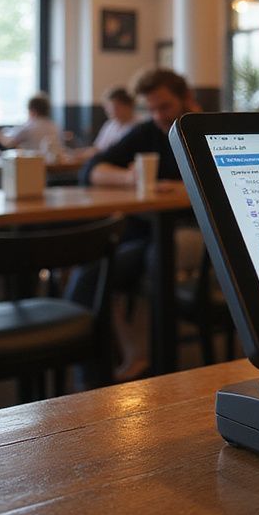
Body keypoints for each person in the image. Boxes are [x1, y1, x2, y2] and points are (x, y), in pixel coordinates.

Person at [67, 67, 194, 382]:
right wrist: (129, 177)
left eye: (164, 106)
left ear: (186, 99)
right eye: (150, 109)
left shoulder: (204, 130)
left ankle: (162, 370)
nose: (157, 115)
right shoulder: (148, 132)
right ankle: (96, 383)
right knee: (88, 277)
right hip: (147, 233)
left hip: (196, 233)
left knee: (157, 263)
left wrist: (179, 187)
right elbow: (91, 169)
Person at [91, 86, 140, 152]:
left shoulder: (139, 126)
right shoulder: (110, 125)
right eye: (107, 107)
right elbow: (97, 148)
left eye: (113, 107)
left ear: (128, 106)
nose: (108, 111)